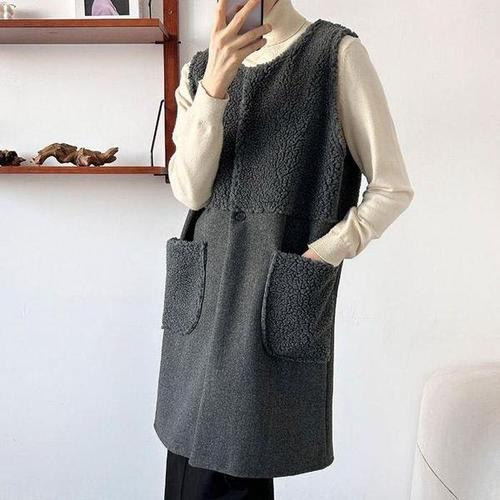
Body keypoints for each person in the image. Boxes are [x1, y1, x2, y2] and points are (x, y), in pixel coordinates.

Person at [155, 0, 415, 498]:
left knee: (241, 467)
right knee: (186, 466)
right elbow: (189, 191)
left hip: (269, 295)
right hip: (202, 299)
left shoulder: (335, 55)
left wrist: (325, 252)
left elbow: (392, 187)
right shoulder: (200, 69)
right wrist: (215, 85)